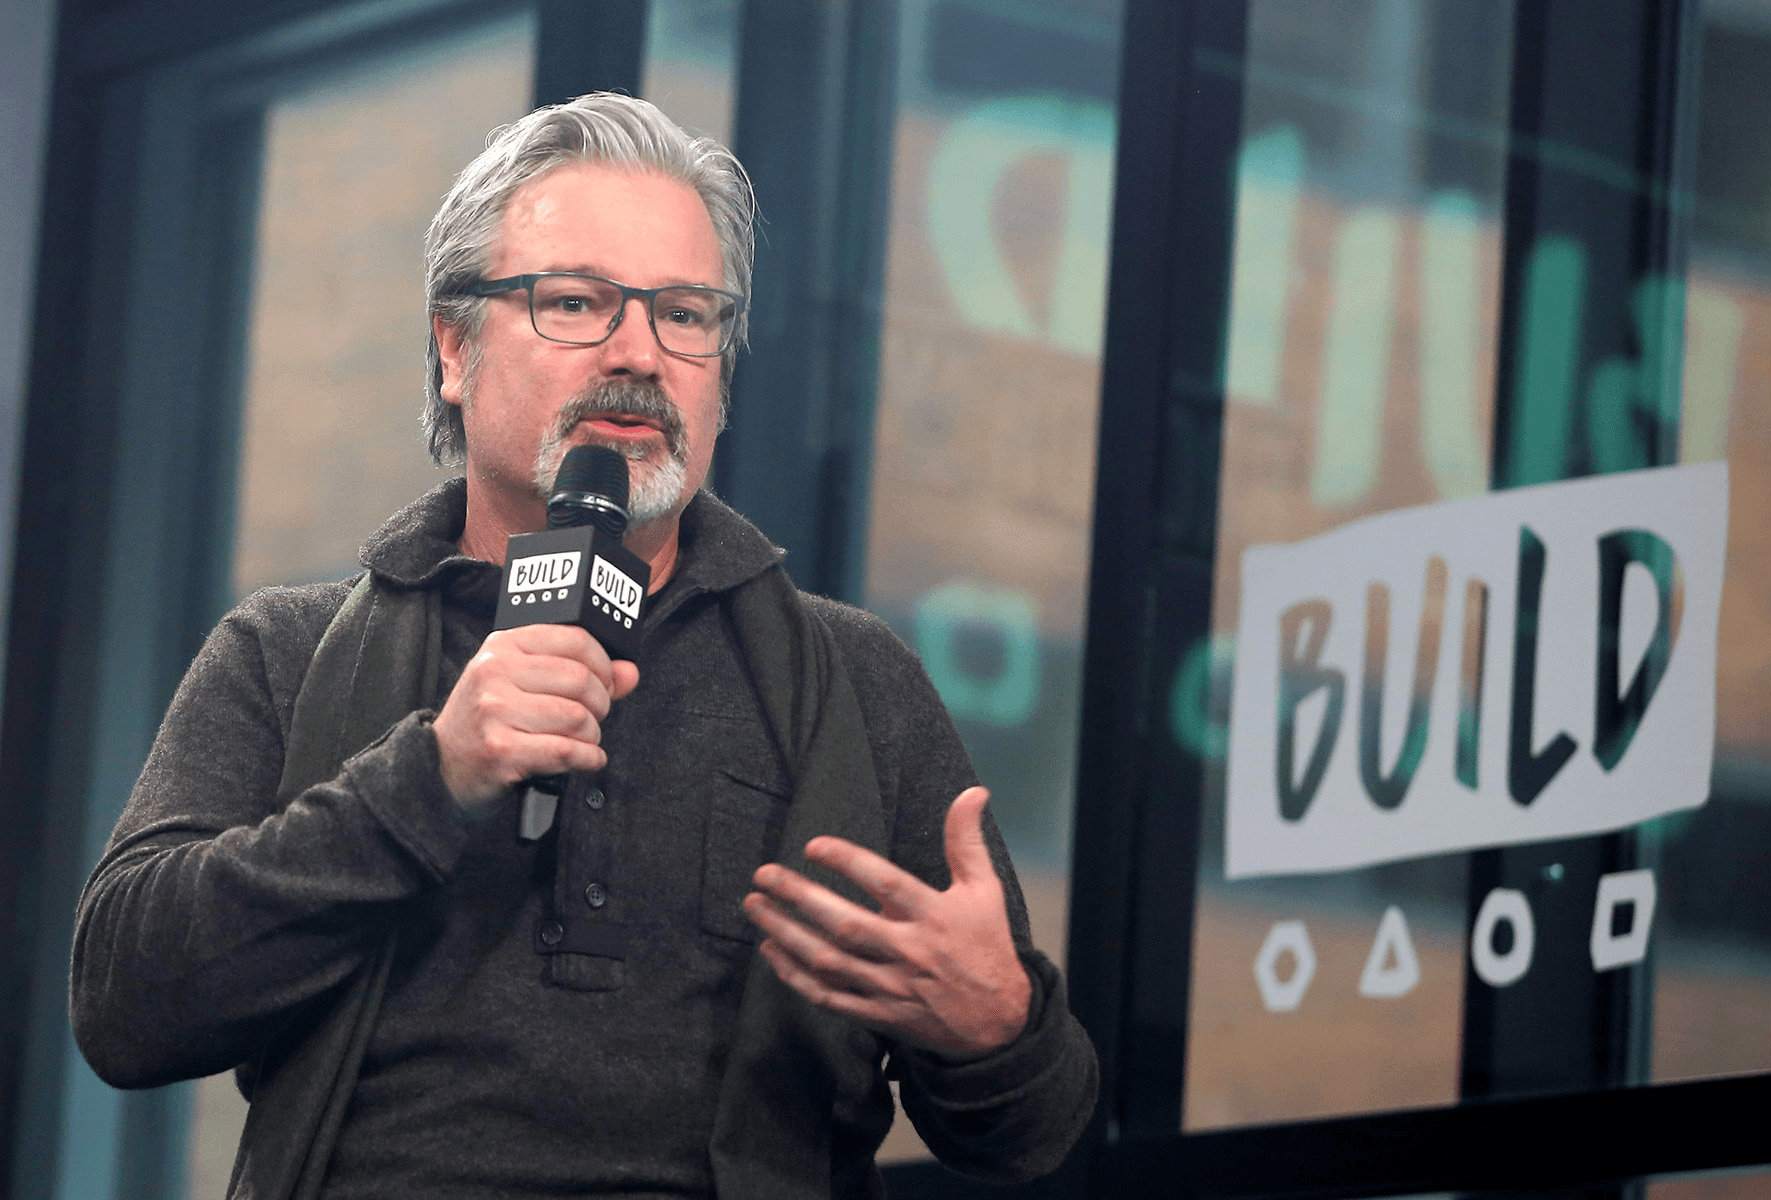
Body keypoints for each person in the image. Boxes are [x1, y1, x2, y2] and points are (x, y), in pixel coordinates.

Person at [69, 91, 1096, 1199]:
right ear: (454, 348)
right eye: (575, 303)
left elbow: (1037, 1137)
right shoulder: (285, 652)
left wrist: (997, 1029)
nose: (640, 353)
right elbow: (124, 1007)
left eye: (686, 315)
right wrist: (428, 778)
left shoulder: (858, 683)